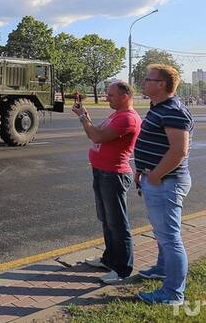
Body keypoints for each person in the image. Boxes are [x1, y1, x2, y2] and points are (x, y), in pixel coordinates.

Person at [134, 64, 194, 305]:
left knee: (170, 238)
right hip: (157, 178)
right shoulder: (159, 107)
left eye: (148, 79)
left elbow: (179, 150)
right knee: (162, 233)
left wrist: (156, 175)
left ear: (161, 85)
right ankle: (161, 268)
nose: (144, 82)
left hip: (167, 182)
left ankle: (173, 293)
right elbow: (155, 143)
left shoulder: (173, 111)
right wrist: (142, 169)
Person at [72, 81, 141, 284]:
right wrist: (85, 117)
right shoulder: (116, 114)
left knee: (118, 223)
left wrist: (83, 118)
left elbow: (97, 135)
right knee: (107, 220)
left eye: (110, 95)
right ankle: (109, 260)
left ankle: (122, 270)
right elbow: (93, 133)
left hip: (114, 175)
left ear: (125, 96)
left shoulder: (128, 118)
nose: (106, 98)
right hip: (102, 172)